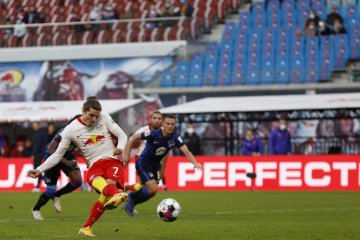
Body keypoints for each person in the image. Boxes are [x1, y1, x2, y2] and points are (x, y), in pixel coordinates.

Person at [28, 96, 128, 237]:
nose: (94, 119)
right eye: (91, 115)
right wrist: (39, 169)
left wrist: (120, 147)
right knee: (105, 189)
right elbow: (56, 154)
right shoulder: (70, 130)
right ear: (83, 111)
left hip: (112, 160)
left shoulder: (104, 117)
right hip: (94, 165)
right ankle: (115, 194)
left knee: (107, 191)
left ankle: (86, 227)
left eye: (96, 116)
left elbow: (122, 135)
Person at [122, 114, 202, 217]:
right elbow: (134, 137)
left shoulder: (175, 137)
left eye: (172, 124)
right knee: (152, 187)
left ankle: (132, 201)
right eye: (167, 123)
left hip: (155, 167)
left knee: (152, 191)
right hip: (143, 163)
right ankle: (131, 198)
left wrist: (195, 163)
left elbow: (186, 151)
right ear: (163, 124)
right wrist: (127, 154)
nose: (170, 126)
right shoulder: (153, 134)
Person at [31, 115, 83, 220]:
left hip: (67, 155)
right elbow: (51, 150)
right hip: (52, 157)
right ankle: (36, 209)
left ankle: (57, 195)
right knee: (50, 190)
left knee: (77, 181)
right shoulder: (64, 133)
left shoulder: (83, 132)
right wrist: (67, 162)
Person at [125, 111, 164, 192]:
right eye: (154, 118)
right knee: (144, 184)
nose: (157, 120)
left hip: (155, 160)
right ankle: (131, 199)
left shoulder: (165, 132)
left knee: (151, 185)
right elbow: (131, 139)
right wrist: (127, 155)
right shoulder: (144, 130)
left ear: (162, 121)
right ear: (150, 120)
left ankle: (126, 188)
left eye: (159, 118)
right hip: (141, 158)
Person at [31, 121, 48, 192]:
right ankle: (39, 185)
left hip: (38, 154)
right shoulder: (42, 133)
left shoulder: (38, 134)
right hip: (41, 154)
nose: (33, 126)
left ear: (38, 125)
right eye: (33, 125)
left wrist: (33, 154)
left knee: (37, 170)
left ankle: (46, 182)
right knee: (38, 170)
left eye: (35, 125)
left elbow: (37, 145)